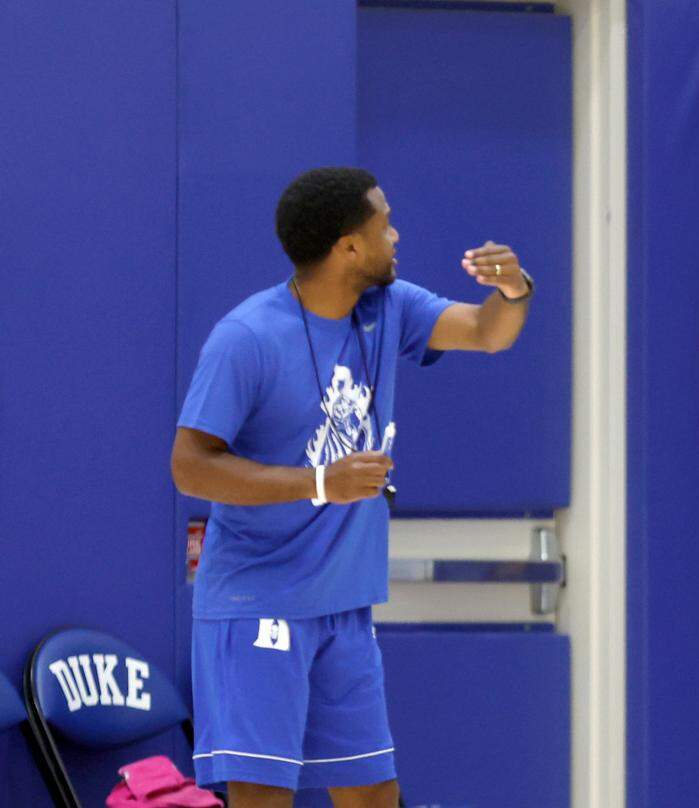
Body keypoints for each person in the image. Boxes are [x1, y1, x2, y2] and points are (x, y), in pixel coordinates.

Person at [170, 166, 534, 808]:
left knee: (373, 795)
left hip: (343, 606)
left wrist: (513, 290)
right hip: (260, 604)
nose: (395, 235)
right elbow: (191, 466)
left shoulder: (388, 309)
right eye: (383, 224)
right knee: (263, 797)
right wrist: (318, 482)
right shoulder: (246, 337)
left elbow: (486, 332)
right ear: (348, 247)